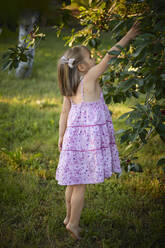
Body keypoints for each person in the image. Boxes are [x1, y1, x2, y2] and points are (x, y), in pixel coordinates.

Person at [55, 21, 141, 240]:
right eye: (91, 58)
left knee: (72, 183)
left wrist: (61, 137)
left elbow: (64, 114)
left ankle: (67, 217)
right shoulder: (90, 79)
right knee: (80, 186)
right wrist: (129, 35)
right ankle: (73, 224)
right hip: (86, 143)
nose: (95, 60)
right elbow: (109, 57)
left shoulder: (70, 86)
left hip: (72, 140)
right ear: (82, 67)